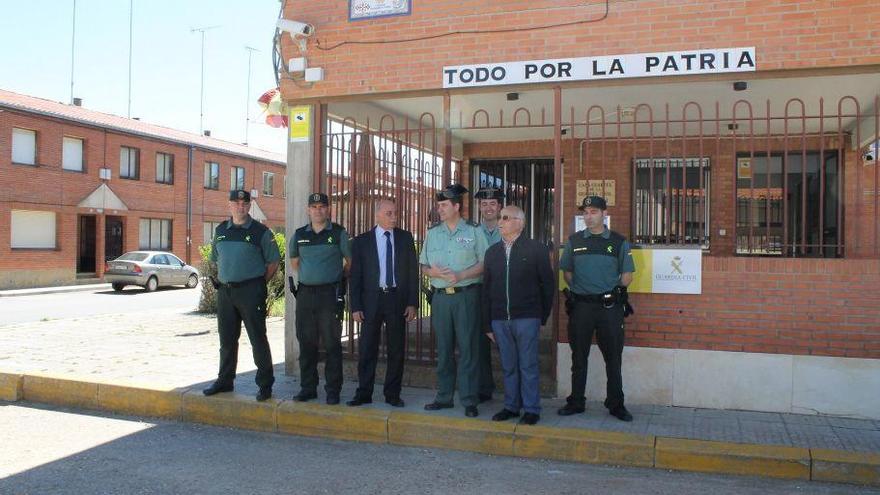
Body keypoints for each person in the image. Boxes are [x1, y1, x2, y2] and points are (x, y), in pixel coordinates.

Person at [558, 196, 635, 421]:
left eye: (593, 212)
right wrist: (583, 289)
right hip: (581, 306)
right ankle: (576, 401)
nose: (588, 216)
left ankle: (616, 403)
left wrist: (608, 292)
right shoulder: (574, 240)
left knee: (613, 358)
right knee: (579, 357)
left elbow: (627, 276)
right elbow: (567, 273)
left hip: (609, 308)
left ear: (604, 214)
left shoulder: (619, 241)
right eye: (585, 212)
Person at [203, 189, 280, 402]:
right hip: (226, 292)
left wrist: (257, 284)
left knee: (258, 338)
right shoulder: (220, 230)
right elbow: (215, 258)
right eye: (236, 203)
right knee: (226, 340)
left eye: (244, 203)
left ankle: (265, 385)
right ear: (229, 205)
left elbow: (273, 262)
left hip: (251, 292)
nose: (240, 207)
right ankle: (225, 380)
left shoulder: (260, 232)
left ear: (249, 206)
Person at [420, 183, 489, 417]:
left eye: (444, 205)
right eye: (438, 205)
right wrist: (434, 273)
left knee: (469, 348)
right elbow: (424, 266)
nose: (439, 209)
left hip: (466, 297)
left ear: (457, 206)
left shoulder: (474, 231)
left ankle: (469, 399)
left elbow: (485, 263)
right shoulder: (432, 233)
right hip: (440, 299)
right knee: (444, 349)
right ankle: (444, 396)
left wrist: (461, 275)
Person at [482, 205, 554, 425]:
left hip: (527, 318)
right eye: (500, 217)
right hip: (500, 320)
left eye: (505, 218)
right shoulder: (492, 252)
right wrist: (488, 324)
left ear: (519, 223)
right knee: (508, 365)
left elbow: (547, 285)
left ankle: (531, 409)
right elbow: (486, 290)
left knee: (528, 365)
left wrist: (541, 317)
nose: (500, 221)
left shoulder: (536, 250)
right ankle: (511, 406)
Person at [347, 199, 419, 408]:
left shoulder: (405, 238)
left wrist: (412, 303)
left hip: (396, 299)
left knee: (396, 349)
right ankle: (364, 392)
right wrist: (356, 306)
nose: (394, 216)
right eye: (389, 213)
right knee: (367, 348)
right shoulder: (362, 241)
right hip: (371, 300)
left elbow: (412, 272)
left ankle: (392, 393)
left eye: (395, 213)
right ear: (377, 214)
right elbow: (355, 276)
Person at [289, 192, 351, 405]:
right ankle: (308, 388)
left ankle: (333, 390)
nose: (318, 210)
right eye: (314, 207)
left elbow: (349, 262)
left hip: (329, 295)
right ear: (308, 210)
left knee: (332, 344)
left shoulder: (339, 233)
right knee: (306, 343)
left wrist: (334, 278)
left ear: (329, 209)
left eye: (322, 207)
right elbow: (295, 263)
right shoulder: (299, 235)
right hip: (306, 294)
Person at [474, 187, 505, 403]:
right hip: (478, 292)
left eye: (492, 203)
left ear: (500, 206)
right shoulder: (471, 232)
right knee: (479, 343)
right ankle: (484, 388)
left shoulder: (509, 229)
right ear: (479, 207)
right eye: (484, 204)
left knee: (507, 342)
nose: (488, 208)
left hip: (504, 293)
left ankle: (514, 390)